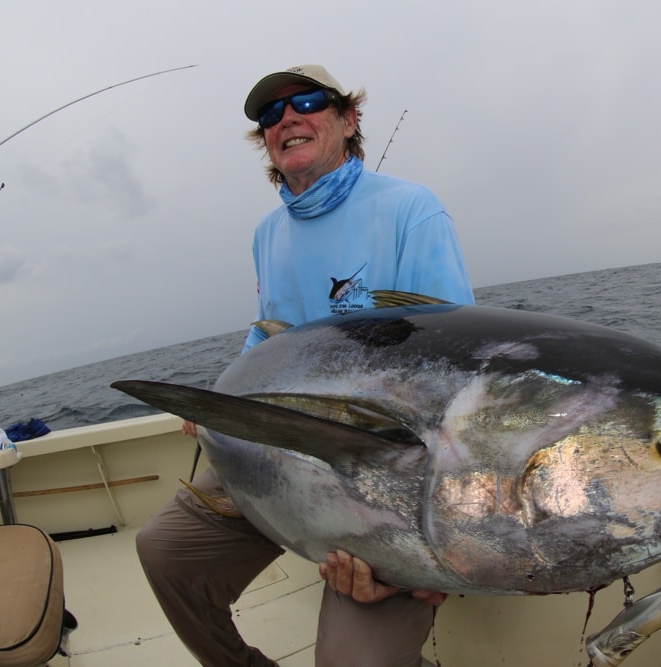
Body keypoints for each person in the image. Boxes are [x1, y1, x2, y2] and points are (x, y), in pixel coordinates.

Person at [135, 64, 474, 667]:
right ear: (266, 140)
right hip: (275, 450)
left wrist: (437, 561)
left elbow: (456, 375)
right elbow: (267, 337)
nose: (287, 118)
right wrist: (222, 401)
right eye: (270, 115)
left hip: (381, 471)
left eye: (309, 103)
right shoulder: (269, 233)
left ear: (348, 121)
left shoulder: (410, 209)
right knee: (164, 552)